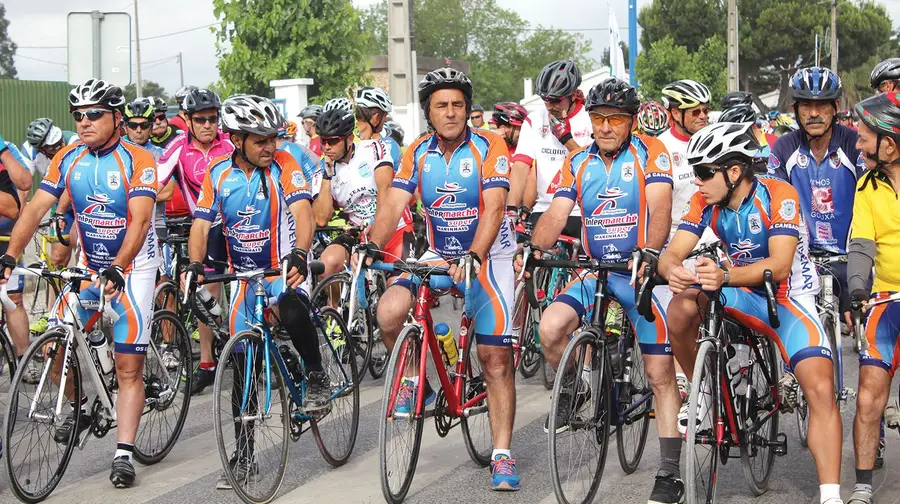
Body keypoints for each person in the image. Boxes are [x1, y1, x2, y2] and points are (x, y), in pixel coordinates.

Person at [661, 121, 843, 504]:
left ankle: (830, 496)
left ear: (733, 171)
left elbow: (778, 266)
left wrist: (723, 275)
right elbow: (672, 252)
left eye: (703, 172)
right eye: (694, 172)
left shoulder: (780, 194)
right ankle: (704, 392)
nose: (696, 181)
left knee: (821, 387)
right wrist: (672, 270)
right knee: (679, 308)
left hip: (789, 299)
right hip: (742, 292)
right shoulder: (705, 202)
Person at [517, 78, 681, 503]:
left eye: (615, 119)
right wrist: (533, 248)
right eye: (599, 119)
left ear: (630, 121)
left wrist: (649, 251)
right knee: (550, 328)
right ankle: (578, 387)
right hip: (594, 272)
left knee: (661, 373)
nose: (606, 127)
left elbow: (660, 206)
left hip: (638, 273)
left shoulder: (651, 151)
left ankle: (669, 472)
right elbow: (557, 212)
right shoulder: (580, 162)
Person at [361, 67, 519, 491]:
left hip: (489, 255)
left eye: (457, 105)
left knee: (494, 359)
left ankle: (502, 454)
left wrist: (473, 254)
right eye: (441, 106)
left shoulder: (491, 144)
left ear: (467, 109)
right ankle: (422, 385)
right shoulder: (416, 152)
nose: (450, 113)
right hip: (438, 252)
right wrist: (370, 246)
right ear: (429, 112)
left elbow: (494, 208)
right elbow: (393, 204)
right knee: (390, 311)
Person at [1, 79, 160, 488]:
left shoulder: (138, 159)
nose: (84, 122)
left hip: (133, 268)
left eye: (93, 114)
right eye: (78, 115)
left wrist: (120, 266)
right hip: (90, 267)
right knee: (56, 339)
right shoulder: (68, 158)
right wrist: (10, 257)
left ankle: (123, 453)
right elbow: (35, 209)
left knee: (128, 369)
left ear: (116, 117)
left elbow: (140, 221)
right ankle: (79, 403)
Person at [186, 95, 324, 488]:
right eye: (260, 140)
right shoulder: (217, 174)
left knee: (290, 304)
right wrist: (196, 264)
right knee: (244, 367)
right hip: (245, 278)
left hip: (286, 267)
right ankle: (244, 455)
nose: (270, 147)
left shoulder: (286, 166)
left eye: (273, 138)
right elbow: (200, 224)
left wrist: (298, 252)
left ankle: (315, 374)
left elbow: (303, 213)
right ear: (237, 139)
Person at [767, 67, 862, 334]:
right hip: (801, 257)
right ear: (795, 109)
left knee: (865, 336)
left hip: (848, 257)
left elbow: (869, 199)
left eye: (821, 105)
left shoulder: (854, 143)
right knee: (788, 328)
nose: (814, 113)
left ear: (835, 107)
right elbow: (775, 202)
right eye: (806, 105)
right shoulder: (783, 147)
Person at [157, 88, 235, 395]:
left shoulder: (230, 143)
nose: (207, 125)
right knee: (202, 291)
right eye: (200, 119)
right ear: (187, 120)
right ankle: (207, 363)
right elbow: (152, 181)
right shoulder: (178, 148)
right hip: (206, 228)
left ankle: (254, 348)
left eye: (212, 119)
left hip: (241, 226)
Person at [846, 91, 900, 504]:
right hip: (885, 297)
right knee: (868, 393)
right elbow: (862, 244)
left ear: (890, 144)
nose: (858, 144)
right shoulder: (867, 184)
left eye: (865, 137)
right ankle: (863, 487)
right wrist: (856, 291)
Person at [313, 108, 414, 277]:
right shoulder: (322, 172)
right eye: (323, 142)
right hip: (359, 233)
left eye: (333, 141)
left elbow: (385, 190)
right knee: (327, 263)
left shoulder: (374, 148)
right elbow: (321, 218)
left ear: (350, 138)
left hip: (393, 227)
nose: (327, 147)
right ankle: (334, 304)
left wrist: (376, 230)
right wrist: (327, 176)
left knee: (396, 293)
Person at [509, 60, 592, 233]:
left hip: (581, 212)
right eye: (545, 100)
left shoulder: (590, 119)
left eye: (556, 100)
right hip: (543, 211)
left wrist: (567, 140)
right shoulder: (534, 120)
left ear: (573, 95)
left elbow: (593, 169)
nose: (549, 106)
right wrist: (511, 208)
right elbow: (521, 167)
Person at [0, 130, 38, 383]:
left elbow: (23, 188)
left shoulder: (7, 150)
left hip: (5, 240)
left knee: (13, 300)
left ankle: (24, 359)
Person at [354, 86, 402, 162]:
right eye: (385, 116)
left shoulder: (347, 140)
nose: (386, 120)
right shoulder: (387, 147)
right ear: (376, 118)